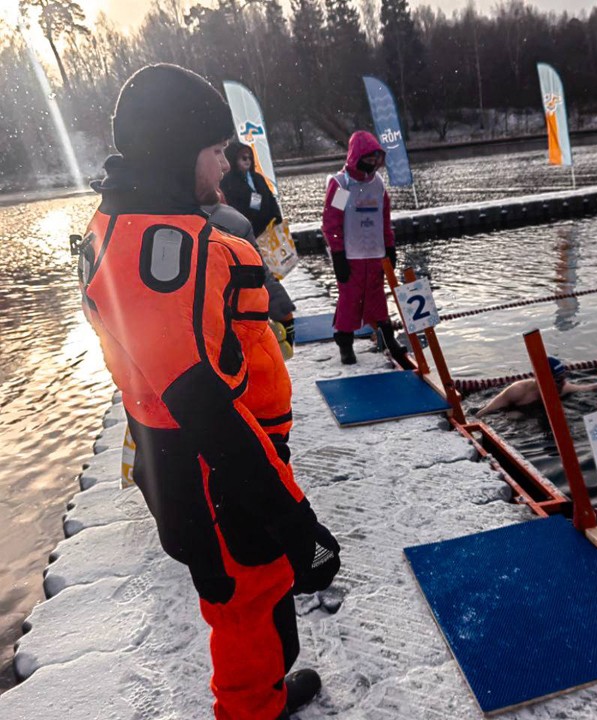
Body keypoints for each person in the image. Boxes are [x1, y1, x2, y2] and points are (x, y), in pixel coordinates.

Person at [77, 63, 340, 720]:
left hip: (206, 468)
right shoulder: (160, 245)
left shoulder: (134, 226)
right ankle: (254, 708)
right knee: (244, 605)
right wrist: (295, 516)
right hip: (217, 477)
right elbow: (200, 404)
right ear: (177, 147)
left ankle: (268, 694)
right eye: (216, 150)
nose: (227, 166)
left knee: (258, 593)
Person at [321, 131, 411, 368]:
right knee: (350, 299)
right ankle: (345, 342)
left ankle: (389, 338)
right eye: (368, 158)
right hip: (350, 256)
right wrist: (337, 253)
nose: (372, 163)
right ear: (356, 156)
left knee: (377, 298)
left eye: (375, 159)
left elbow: (384, 218)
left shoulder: (379, 185)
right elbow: (332, 223)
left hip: (375, 253)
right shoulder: (341, 185)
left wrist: (390, 247)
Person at [206, 195, 297, 346]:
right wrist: (283, 312)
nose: (224, 169)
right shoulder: (232, 222)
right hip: (234, 330)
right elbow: (260, 276)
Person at [476, 356, 597, 417]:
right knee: (515, 416)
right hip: (518, 417)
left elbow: (590, 387)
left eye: (564, 377)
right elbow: (484, 412)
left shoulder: (563, 388)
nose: (563, 383)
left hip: (542, 414)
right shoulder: (517, 391)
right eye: (558, 380)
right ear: (544, 379)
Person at [220, 139, 283, 237]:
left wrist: (277, 217)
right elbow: (232, 207)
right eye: (244, 158)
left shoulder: (258, 178)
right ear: (234, 159)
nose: (248, 161)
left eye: (250, 158)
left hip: (269, 228)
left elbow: (271, 198)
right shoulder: (227, 181)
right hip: (247, 231)